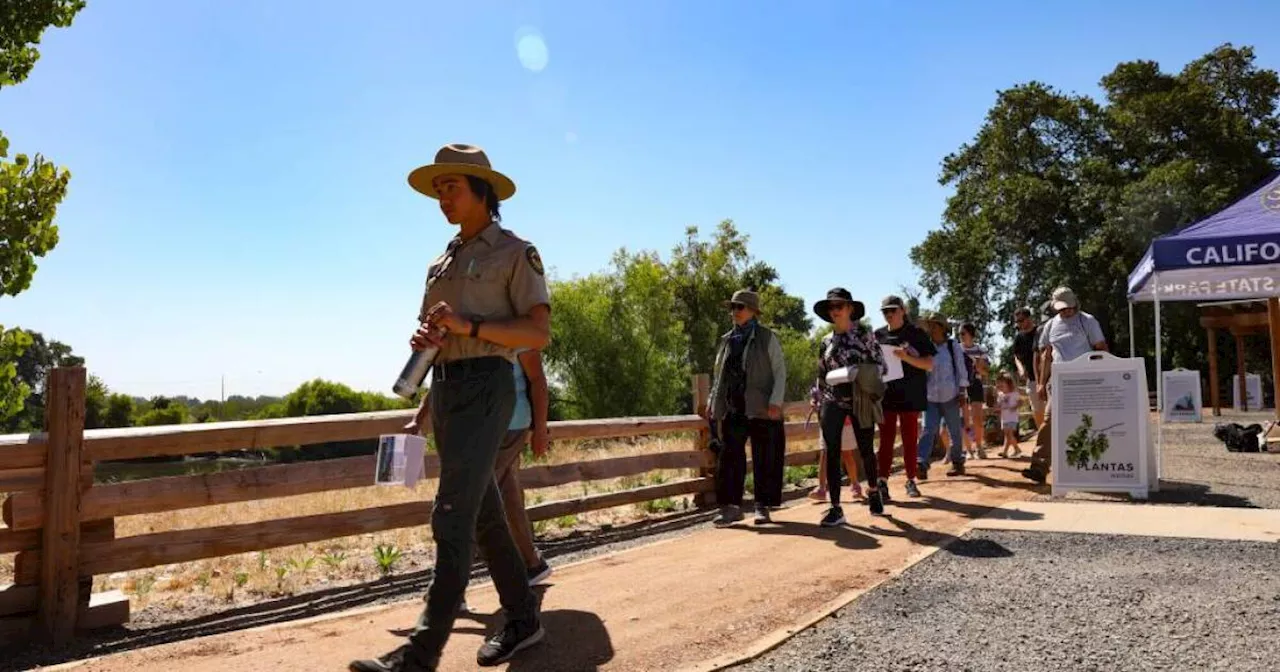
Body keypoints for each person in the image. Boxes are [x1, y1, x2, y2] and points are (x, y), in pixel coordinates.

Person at [351, 144, 549, 672]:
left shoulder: (516, 252)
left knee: (451, 515)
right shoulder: (442, 260)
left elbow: (538, 332)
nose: (442, 198)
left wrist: (472, 327)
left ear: (482, 191)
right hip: (448, 385)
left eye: (452, 188)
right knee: (484, 514)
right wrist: (429, 337)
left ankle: (418, 656)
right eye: (438, 190)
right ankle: (524, 616)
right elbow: (441, 333)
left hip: (489, 385)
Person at [706, 289, 788, 526]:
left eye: (739, 307)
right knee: (730, 456)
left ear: (752, 311)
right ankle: (731, 507)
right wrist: (713, 402)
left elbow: (780, 372)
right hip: (734, 405)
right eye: (732, 307)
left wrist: (776, 401)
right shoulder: (727, 339)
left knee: (765, 457)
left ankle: (762, 507)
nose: (735, 312)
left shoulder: (767, 337)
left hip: (762, 407)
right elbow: (718, 375)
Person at [810, 288, 886, 525]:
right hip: (833, 400)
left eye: (839, 306)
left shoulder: (865, 335)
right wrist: (817, 396)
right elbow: (821, 375)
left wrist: (858, 373)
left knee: (865, 448)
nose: (835, 311)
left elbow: (881, 366)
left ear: (850, 308)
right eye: (831, 307)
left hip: (860, 398)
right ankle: (836, 507)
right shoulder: (825, 342)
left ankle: (873, 490)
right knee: (831, 451)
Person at [1022, 286, 1108, 484]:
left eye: (1069, 306)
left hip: (1086, 381)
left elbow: (1101, 349)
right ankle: (1039, 467)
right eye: (1062, 308)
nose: (1066, 311)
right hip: (1059, 382)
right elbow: (1046, 355)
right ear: (1055, 307)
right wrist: (1041, 383)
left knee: (1088, 423)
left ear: (1075, 302)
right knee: (1049, 422)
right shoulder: (1051, 326)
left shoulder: (1088, 321)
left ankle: (1096, 467)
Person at [873, 295, 935, 498]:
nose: (889, 314)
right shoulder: (877, 335)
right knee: (886, 440)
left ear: (903, 310)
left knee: (910, 439)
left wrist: (906, 357)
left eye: (893, 310)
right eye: (885, 311)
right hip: (886, 395)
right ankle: (882, 482)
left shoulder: (916, 333)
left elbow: (929, 364)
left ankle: (911, 480)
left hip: (911, 394)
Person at [914, 312, 969, 478]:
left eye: (934, 324)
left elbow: (961, 370)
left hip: (950, 394)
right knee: (928, 429)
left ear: (942, 327)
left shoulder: (953, 347)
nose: (931, 328)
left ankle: (957, 461)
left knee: (954, 430)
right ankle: (921, 463)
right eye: (929, 325)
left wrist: (962, 391)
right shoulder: (925, 348)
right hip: (930, 396)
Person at [957, 323, 990, 460]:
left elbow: (986, 372)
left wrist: (978, 365)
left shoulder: (980, 350)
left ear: (971, 334)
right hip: (960, 385)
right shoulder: (957, 349)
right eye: (959, 334)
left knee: (977, 417)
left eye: (963, 333)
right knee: (964, 420)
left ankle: (979, 446)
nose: (961, 336)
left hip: (975, 383)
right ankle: (969, 449)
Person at [1011, 306, 1046, 428]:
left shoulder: (1040, 331)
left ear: (1029, 318)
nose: (1019, 324)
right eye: (1017, 321)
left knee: (1050, 409)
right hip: (1031, 379)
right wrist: (1020, 368)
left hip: (1046, 377)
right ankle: (1042, 437)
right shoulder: (1019, 337)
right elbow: (1016, 355)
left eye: (1021, 320)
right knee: (1037, 410)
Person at [995, 372, 1022, 458]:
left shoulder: (1014, 394)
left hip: (1012, 417)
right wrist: (997, 409)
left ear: (1009, 385)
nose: (1001, 388)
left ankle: (1005, 451)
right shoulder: (1000, 395)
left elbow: (1020, 402)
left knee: (1009, 434)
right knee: (1007, 435)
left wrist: (1014, 407)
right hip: (1004, 418)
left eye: (1003, 386)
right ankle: (1017, 449)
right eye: (1000, 386)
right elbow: (999, 405)